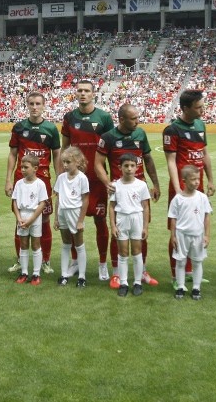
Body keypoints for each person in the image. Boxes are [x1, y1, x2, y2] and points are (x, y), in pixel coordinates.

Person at [96, 103, 161, 288]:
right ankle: (116, 273)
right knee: (117, 233)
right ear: (122, 119)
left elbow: (148, 159)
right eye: (133, 118)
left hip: (139, 190)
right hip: (119, 192)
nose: (137, 121)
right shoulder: (108, 137)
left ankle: (142, 271)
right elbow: (98, 163)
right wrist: (107, 182)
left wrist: (155, 184)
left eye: (137, 117)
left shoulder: (141, 134)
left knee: (142, 233)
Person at [61, 79, 115, 281]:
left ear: (94, 94)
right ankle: (75, 262)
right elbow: (64, 147)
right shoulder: (69, 117)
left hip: (97, 179)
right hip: (74, 179)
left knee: (101, 220)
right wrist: (61, 174)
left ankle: (102, 264)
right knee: (73, 223)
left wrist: (109, 178)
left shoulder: (104, 117)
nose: (82, 94)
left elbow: (109, 148)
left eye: (86, 91)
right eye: (79, 91)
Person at [5, 92, 61, 275]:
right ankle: (20, 261)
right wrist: (8, 179)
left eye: (38, 103)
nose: (35, 107)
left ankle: (45, 260)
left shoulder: (51, 129)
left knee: (44, 220)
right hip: (21, 180)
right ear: (27, 105)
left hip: (43, 179)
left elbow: (57, 155)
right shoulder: (19, 127)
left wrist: (59, 179)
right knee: (19, 219)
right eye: (31, 103)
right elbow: (13, 154)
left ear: (44, 105)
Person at [164, 89, 215, 290]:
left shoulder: (201, 125)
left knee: (197, 227)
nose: (202, 110)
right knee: (176, 230)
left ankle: (192, 273)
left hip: (198, 186)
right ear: (185, 108)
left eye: (202, 105)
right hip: (181, 188)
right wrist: (177, 189)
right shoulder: (172, 130)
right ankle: (176, 273)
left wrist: (210, 179)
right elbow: (171, 161)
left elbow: (204, 153)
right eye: (198, 107)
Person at [108, 153, 152, 297]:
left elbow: (145, 206)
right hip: (122, 219)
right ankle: (124, 283)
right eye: (126, 166)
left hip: (136, 219)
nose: (129, 169)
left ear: (136, 167)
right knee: (123, 252)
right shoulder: (115, 185)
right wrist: (113, 226)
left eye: (132, 166)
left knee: (137, 251)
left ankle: (137, 282)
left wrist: (145, 226)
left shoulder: (141, 185)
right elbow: (112, 206)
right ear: (120, 167)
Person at [169, 165, 212, 300]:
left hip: (198, 235)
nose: (196, 182)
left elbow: (207, 217)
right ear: (184, 181)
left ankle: (196, 288)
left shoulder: (202, 197)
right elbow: (173, 218)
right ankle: (180, 287)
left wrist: (206, 235)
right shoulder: (177, 199)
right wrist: (173, 236)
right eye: (193, 179)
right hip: (181, 235)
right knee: (180, 262)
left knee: (197, 262)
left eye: (198, 179)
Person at [53, 146, 91, 287]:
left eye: (68, 162)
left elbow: (85, 199)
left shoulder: (82, 178)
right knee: (65, 244)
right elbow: (58, 198)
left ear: (77, 162)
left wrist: (81, 220)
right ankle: (64, 274)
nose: (65, 165)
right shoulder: (61, 178)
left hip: (75, 212)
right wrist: (56, 218)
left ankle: (82, 276)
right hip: (63, 212)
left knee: (79, 244)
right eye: (63, 162)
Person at [11, 155, 48, 285]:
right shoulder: (19, 183)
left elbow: (42, 203)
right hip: (22, 216)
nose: (22, 169)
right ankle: (24, 272)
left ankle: (36, 274)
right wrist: (19, 218)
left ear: (35, 168)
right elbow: (15, 202)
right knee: (23, 244)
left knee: (36, 245)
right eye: (21, 167)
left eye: (26, 167)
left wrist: (31, 220)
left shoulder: (40, 184)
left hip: (35, 216)